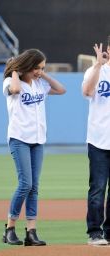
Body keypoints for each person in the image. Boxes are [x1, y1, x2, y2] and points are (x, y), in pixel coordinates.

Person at [2, 48, 66, 246]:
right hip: (19, 139)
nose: (39, 71)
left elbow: (61, 89)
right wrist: (14, 69)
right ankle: (9, 229)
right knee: (25, 184)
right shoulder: (10, 82)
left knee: (34, 187)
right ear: (27, 66)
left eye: (42, 67)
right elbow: (15, 90)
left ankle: (31, 232)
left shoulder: (40, 84)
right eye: (37, 67)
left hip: (38, 140)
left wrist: (43, 74)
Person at [82, 37, 110, 246]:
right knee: (98, 188)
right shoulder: (95, 71)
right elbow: (87, 92)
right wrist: (98, 65)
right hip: (99, 139)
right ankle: (94, 232)